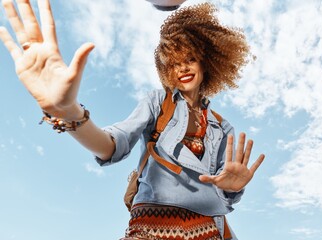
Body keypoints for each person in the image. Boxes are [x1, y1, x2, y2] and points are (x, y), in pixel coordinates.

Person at [0, 0, 265, 239]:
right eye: (173, 62)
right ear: (165, 69)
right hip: (152, 223)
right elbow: (114, 143)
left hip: (208, 228)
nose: (182, 67)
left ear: (205, 63)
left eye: (190, 59)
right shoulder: (156, 103)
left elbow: (223, 194)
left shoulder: (222, 127)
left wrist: (232, 190)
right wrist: (69, 113)